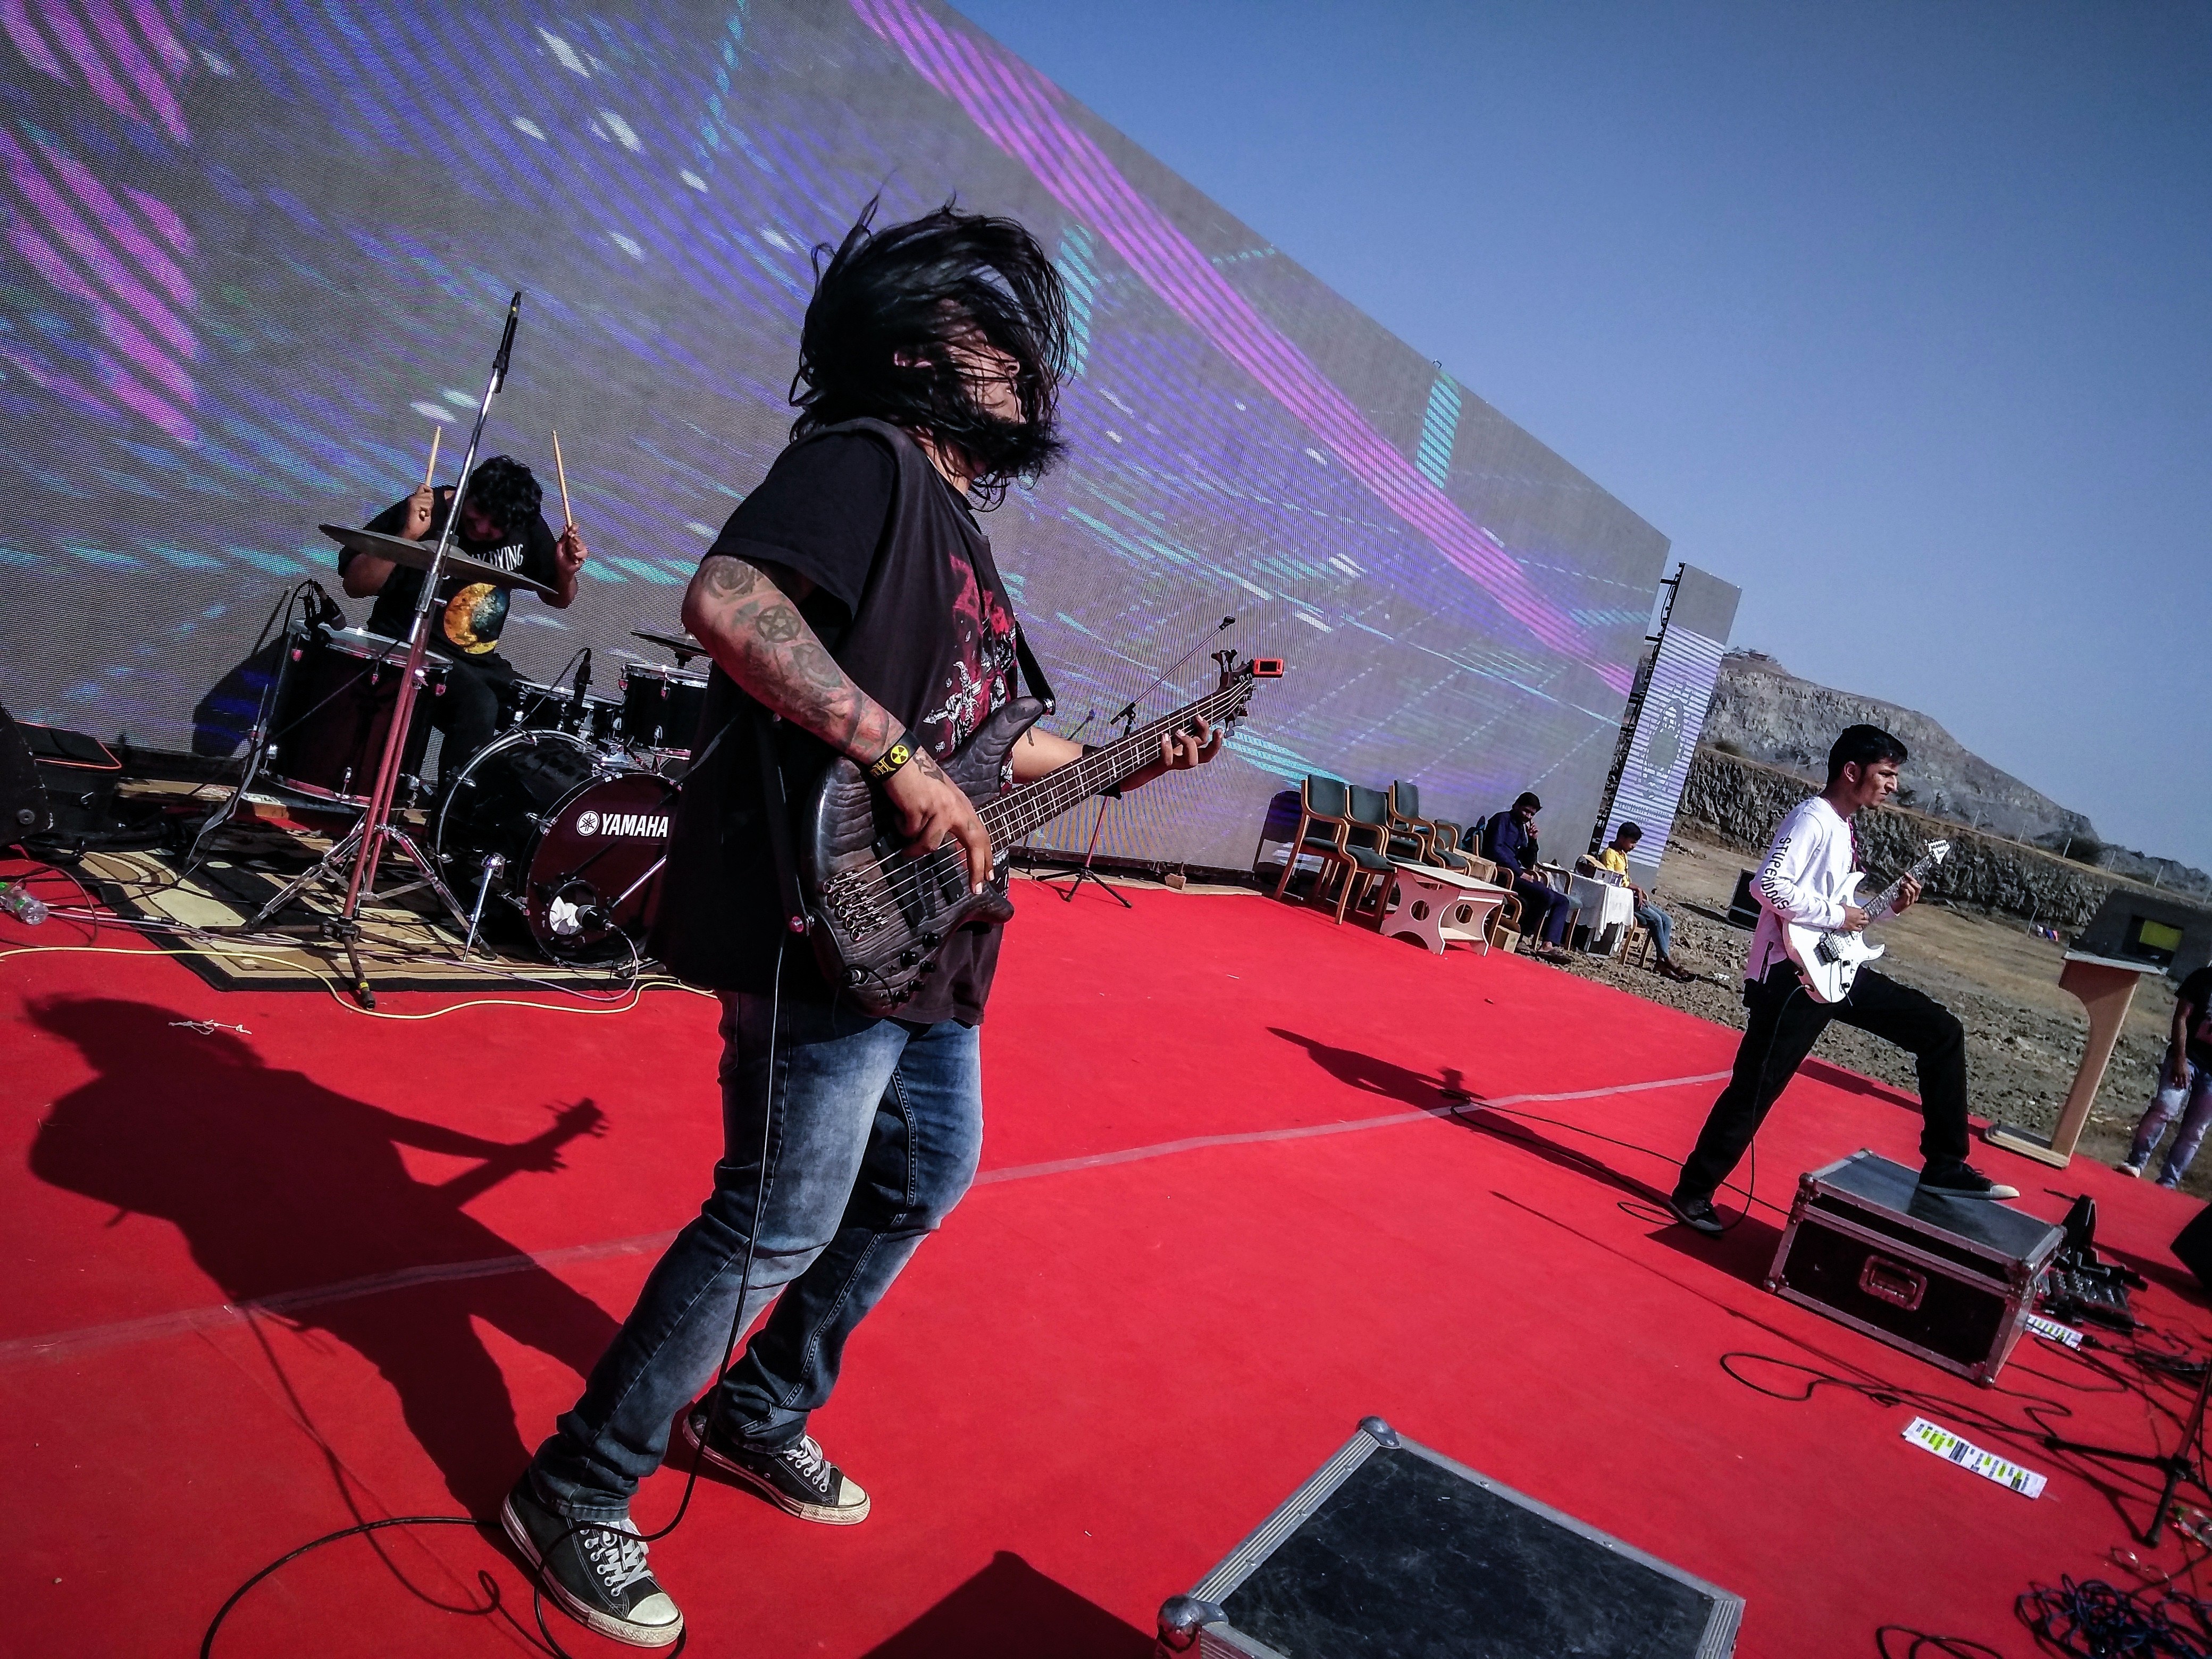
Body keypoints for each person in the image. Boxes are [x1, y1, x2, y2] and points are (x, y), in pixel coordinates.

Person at [501, 203, 1222, 1648]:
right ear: (914, 356)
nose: (1022, 365)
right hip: (826, 921)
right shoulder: (866, 462)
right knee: (778, 1213)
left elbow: (991, 744)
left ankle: (759, 1407)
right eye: (989, 340)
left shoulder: (966, 542)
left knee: (921, 1179)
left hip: (929, 938)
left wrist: (1132, 758)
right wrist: (889, 754)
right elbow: (730, 599)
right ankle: (576, 1482)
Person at [1666, 724, 2017, 1236]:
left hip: (1834, 968)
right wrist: (1837, 914)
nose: (1893, 785)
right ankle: (1693, 1192)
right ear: (1852, 771)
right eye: (1886, 774)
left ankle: (1945, 1164)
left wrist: (1888, 909)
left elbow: (1845, 914)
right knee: (1756, 1089)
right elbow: (1768, 886)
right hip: (1789, 977)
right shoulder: (1812, 818)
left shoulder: (1844, 827)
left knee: (1940, 1031)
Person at [338, 454, 587, 783]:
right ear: (466, 491)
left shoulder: (524, 524)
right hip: (410, 648)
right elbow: (355, 586)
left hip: (477, 660)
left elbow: (559, 599)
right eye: (477, 513)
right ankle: (450, 809)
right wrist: (408, 535)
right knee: (478, 705)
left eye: (495, 526)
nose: (482, 528)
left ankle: (499, 809)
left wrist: (566, 573)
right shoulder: (429, 511)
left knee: (544, 712)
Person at [2119, 964, 2212, 1187]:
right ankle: (2136, 1161)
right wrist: (2180, 1058)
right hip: (2188, 1056)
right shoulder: (2202, 978)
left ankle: (2169, 1181)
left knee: (2195, 1131)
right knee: (2164, 1107)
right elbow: (2181, 1017)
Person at [1588, 822, 1695, 981]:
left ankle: (1660, 961)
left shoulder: (1623, 855)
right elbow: (1612, 879)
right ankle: (1666, 959)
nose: (1634, 846)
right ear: (1622, 838)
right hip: (1622, 899)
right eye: (1632, 842)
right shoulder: (1610, 854)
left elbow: (1625, 879)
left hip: (1631, 897)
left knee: (1667, 920)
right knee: (1656, 919)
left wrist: (1636, 889)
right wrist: (1635, 888)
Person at [1484, 791, 1577, 952]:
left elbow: (1528, 862)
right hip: (1503, 874)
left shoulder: (1521, 829)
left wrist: (1533, 841)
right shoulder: (1502, 820)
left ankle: (1548, 945)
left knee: (1562, 901)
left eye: (1532, 814)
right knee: (1546, 896)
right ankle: (1521, 937)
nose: (1528, 816)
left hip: (1517, 875)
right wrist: (1519, 873)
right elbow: (1494, 850)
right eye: (1526, 811)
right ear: (1516, 806)